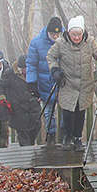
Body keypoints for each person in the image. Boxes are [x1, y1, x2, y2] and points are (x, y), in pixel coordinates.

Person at [46, 15, 97, 151]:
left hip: (85, 85)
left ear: (83, 33)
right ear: (68, 33)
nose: (76, 37)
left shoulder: (90, 42)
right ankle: (67, 136)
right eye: (73, 34)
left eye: (79, 34)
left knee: (80, 112)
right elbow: (50, 56)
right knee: (67, 112)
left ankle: (77, 138)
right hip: (68, 83)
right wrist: (54, 70)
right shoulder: (61, 43)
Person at [26, 16, 63, 146]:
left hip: (63, 84)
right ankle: (51, 137)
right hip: (44, 84)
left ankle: (64, 137)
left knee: (65, 111)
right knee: (48, 113)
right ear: (48, 31)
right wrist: (31, 83)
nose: (55, 36)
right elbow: (31, 64)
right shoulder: (36, 43)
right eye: (53, 33)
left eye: (57, 33)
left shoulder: (66, 41)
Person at [0, 55, 43, 146]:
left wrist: (41, 95)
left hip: (33, 108)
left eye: (27, 68)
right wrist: (2, 98)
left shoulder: (35, 73)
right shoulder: (9, 73)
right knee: (23, 135)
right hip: (17, 109)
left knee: (34, 130)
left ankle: (30, 151)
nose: (25, 70)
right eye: (23, 68)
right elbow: (0, 86)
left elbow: (42, 85)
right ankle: (27, 157)